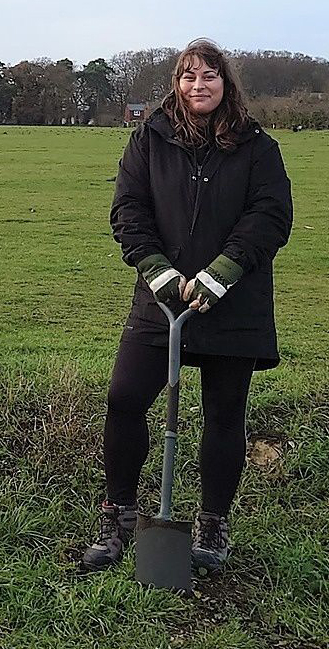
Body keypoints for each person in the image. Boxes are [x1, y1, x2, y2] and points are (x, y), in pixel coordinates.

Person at [81, 39, 292, 576]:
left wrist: (223, 272)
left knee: (224, 413)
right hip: (162, 299)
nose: (199, 86)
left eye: (210, 76)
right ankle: (118, 516)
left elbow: (270, 215)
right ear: (176, 83)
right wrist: (158, 270)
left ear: (227, 84)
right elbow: (128, 208)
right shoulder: (149, 141)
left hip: (232, 302)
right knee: (126, 398)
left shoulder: (258, 148)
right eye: (188, 76)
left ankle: (212, 525)